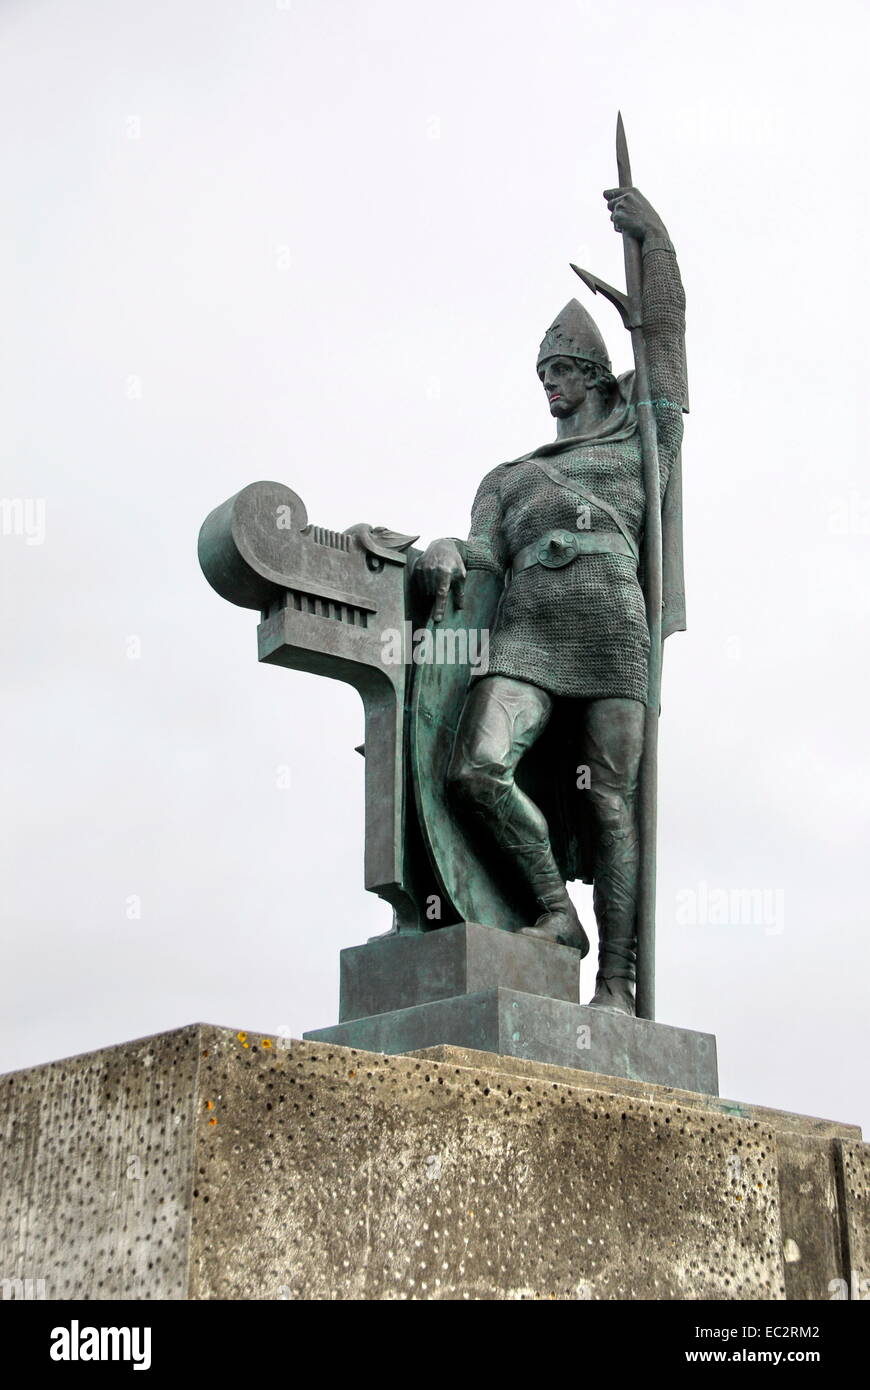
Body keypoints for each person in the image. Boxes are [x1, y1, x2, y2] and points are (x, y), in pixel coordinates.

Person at [414, 186, 687, 1016]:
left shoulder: (645, 434)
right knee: (476, 767)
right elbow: (483, 557)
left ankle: (617, 980)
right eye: (542, 374)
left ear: (596, 373)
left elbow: (671, 341)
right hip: (529, 627)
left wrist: (656, 245)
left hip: (613, 628)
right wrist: (444, 550)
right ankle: (555, 916)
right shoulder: (508, 478)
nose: (549, 386)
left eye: (561, 370)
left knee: (613, 804)